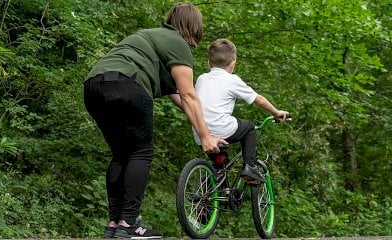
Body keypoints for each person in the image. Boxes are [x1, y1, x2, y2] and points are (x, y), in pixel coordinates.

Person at [83, 3, 227, 239]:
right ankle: (129, 223)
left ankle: (114, 223)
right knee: (141, 152)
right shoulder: (178, 43)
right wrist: (205, 137)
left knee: (121, 154)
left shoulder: (148, 36)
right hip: (128, 85)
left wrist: (206, 129)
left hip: (94, 86)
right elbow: (190, 95)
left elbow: (179, 97)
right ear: (193, 27)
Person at [192, 38, 289, 182]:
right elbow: (258, 99)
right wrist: (276, 112)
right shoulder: (232, 80)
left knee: (220, 166)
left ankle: (209, 197)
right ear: (233, 64)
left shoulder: (201, 78)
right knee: (249, 127)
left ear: (208, 63)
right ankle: (250, 167)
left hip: (200, 132)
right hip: (222, 129)